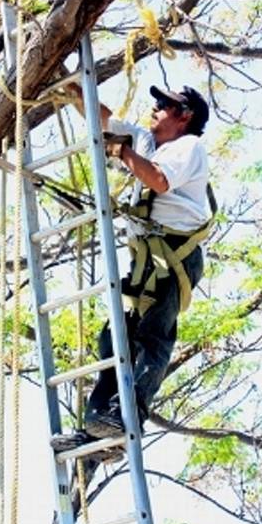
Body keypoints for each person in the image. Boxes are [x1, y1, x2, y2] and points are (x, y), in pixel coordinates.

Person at [52, 81, 214, 454]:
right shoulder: (144, 141)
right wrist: (72, 87)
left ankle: (127, 419)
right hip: (146, 257)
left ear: (184, 117)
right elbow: (106, 121)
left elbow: (157, 180)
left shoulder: (188, 147)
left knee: (152, 336)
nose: (155, 107)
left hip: (174, 255)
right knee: (113, 339)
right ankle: (100, 426)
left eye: (164, 105)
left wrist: (123, 154)